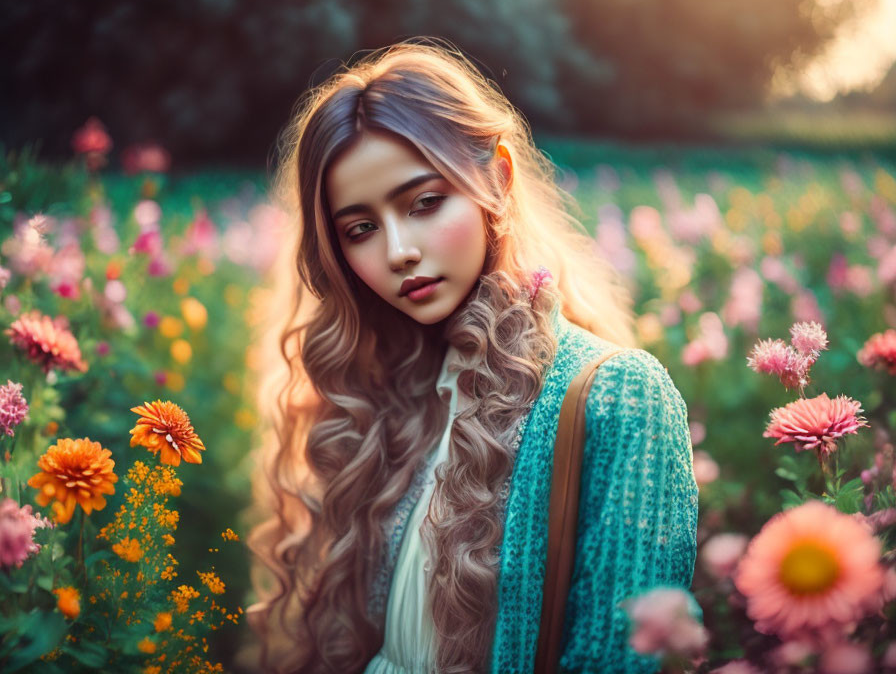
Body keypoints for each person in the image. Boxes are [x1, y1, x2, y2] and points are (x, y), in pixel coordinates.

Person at [245, 36, 699, 674]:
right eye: (361, 228)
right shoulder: (390, 397)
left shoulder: (617, 395)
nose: (399, 250)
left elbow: (623, 660)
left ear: (500, 179)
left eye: (425, 203)